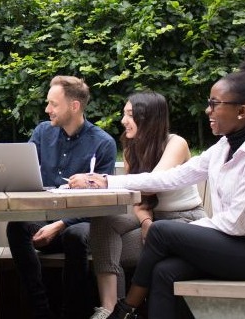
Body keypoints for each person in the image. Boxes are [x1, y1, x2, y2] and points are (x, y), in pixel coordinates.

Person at [69, 52, 245, 319]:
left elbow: (235, 224)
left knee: (161, 232)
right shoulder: (222, 148)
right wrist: (105, 181)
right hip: (231, 244)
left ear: (242, 111)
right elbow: (170, 178)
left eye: (215, 103)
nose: (208, 110)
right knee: (164, 271)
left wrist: (174, 233)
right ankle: (125, 310)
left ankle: (125, 310)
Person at [7, 75, 118, 319]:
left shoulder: (103, 144)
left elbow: (104, 203)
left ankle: (72, 314)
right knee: (16, 227)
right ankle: (41, 311)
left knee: (75, 236)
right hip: (44, 221)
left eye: (53, 104)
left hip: (81, 225)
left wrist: (60, 224)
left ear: (74, 106)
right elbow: (21, 172)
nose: (47, 109)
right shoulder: (42, 133)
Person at [88, 91, 206, 319]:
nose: (123, 121)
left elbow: (154, 184)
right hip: (153, 217)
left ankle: (126, 310)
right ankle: (110, 308)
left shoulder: (176, 143)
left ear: (149, 118)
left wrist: (100, 182)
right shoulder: (132, 148)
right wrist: (145, 221)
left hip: (185, 219)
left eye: (130, 115)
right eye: (124, 114)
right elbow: (137, 197)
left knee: (112, 254)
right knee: (104, 222)